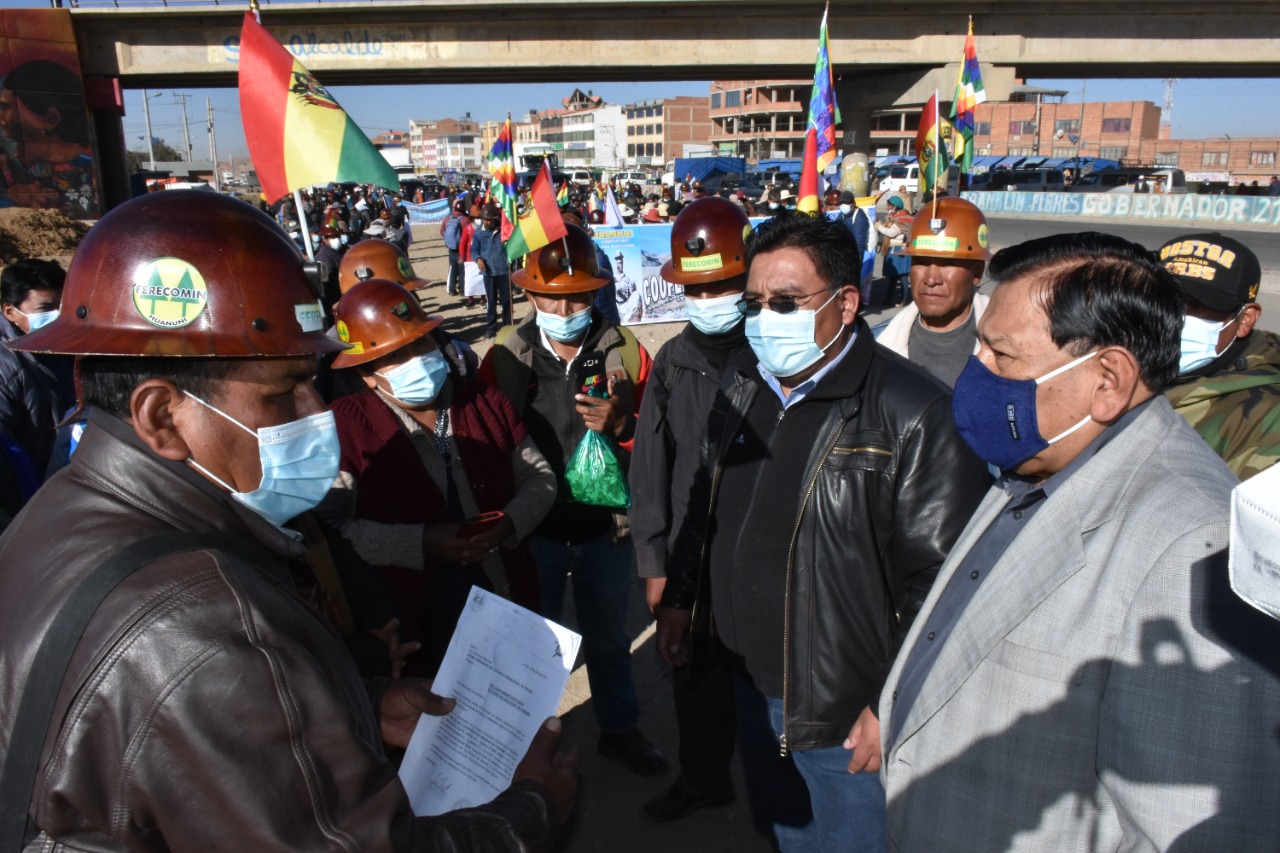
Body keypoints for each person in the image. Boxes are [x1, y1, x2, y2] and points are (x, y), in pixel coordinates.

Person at [0, 190, 577, 851]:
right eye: (281, 394)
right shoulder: (207, 623)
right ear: (162, 415)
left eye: (312, 381)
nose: (315, 411)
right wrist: (529, 808)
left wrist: (354, 700)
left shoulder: (60, 510)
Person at [880, 231, 1280, 851]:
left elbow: (1201, 829)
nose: (974, 373)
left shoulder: (1192, 548)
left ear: (1108, 380)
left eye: (1001, 356)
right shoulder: (1040, 458)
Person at [658, 213, 989, 853]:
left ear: (844, 304)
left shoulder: (915, 413)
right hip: (748, 679)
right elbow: (706, 508)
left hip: (839, 707)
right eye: (754, 303)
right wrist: (681, 600)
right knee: (785, 834)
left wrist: (888, 704)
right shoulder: (744, 384)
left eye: (785, 303)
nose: (762, 319)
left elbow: (940, 584)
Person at [479, 225, 667, 777]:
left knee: (608, 640)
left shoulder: (626, 352)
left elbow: (656, 442)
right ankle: (526, 745)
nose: (565, 306)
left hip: (603, 531)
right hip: (532, 534)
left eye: (578, 294)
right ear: (530, 295)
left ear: (595, 293)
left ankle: (620, 729)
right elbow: (488, 442)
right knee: (532, 648)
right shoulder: (505, 357)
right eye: (551, 295)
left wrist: (624, 423)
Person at [319, 278, 553, 674]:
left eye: (421, 344)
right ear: (367, 374)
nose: (416, 359)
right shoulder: (345, 427)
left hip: (504, 598)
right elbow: (332, 528)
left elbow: (540, 477)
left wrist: (509, 522)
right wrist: (422, 542)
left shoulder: (485, 402)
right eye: (396, 355)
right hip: (415, 628)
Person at [630, 197, 751, 823]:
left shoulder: (776, 354)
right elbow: (649, 469)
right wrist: (654, 562)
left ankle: (778, 798)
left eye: (722, 286)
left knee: (762, 685)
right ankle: (704, 779)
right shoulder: (674, 361)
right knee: (693, 678)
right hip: (686, 559)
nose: (708, 299)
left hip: (757, 553)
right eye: (694, 288)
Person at [1157, 232, 1280, 479]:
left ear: (1245, 319)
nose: (1175, 318)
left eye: (1199, 306)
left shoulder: (1266, 417)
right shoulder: (1113, 369)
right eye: (1163, 301)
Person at [877, 197, 992, 388]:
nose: (931, 279)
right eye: (920, 262)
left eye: (948, 264)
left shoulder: (1013, 347)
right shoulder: (878, 344)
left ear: (977, 272)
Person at [0, 258, 73, 475]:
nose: (58, 314)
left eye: (62, 306)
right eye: (45, 308)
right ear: (10, 312)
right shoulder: (7, 369)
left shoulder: (69, 345)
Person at [0, 59, 98, 216]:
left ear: (51, 119)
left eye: (5, 106)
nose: (1, 120)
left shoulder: (90, 171)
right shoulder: (29, 174)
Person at [469, 204, 513, 336]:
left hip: (503, 270)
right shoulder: (478, 233)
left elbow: (511, 246)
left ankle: (507, 326)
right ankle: (491, 328)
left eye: (490, 219)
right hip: (488, 272)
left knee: (506, 301)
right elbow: (473, 249)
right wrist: (478, 259)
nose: (487, 222)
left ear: (495, 219)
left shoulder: (503, 230)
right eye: (485, 219)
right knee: (491, 300)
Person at [314, 224, 347, 311]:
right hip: (335, 302)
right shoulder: (323, 258)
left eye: (338, 235)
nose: (337, 239)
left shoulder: (342, 249)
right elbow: (324, 286)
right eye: (332, 237)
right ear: (325, 239)